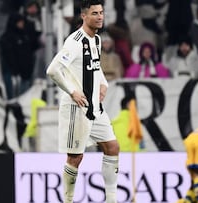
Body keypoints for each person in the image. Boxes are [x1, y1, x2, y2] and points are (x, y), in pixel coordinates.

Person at [46, 1, 120, 203]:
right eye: (94, 13)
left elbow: (95, 67)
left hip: (95, 108)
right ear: (83, 16)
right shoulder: (75, 41)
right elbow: (53, 70)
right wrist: (72, 91)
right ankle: (68, 200)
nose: (100, 17)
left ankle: (111, 199)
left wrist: (103, 83)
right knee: (75, 158)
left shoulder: (95, 39)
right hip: (76, 107)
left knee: (112, 147)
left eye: (101, 12)